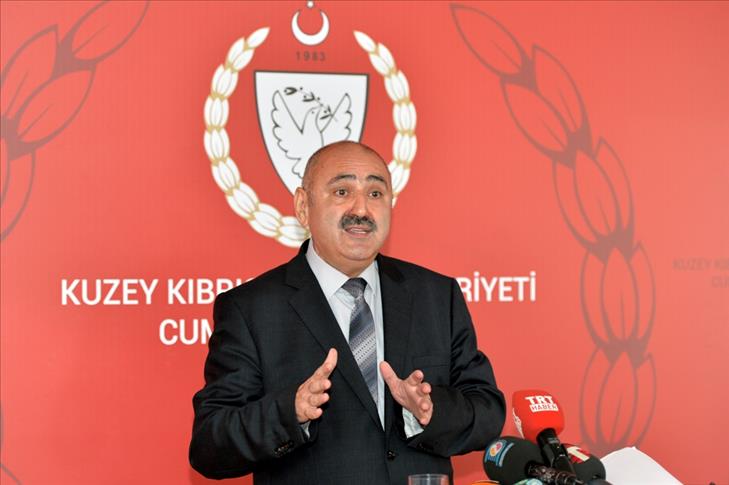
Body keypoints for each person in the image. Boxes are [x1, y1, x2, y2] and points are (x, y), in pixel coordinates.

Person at [189, 141, 505, 484]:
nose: (362, 209)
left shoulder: (436, 295)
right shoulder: (251, 308)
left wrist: (428, 410)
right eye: (342, 191)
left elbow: (487, 410)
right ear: (303, 206)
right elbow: (210, 445)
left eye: (375, 193)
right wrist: (290, 412)